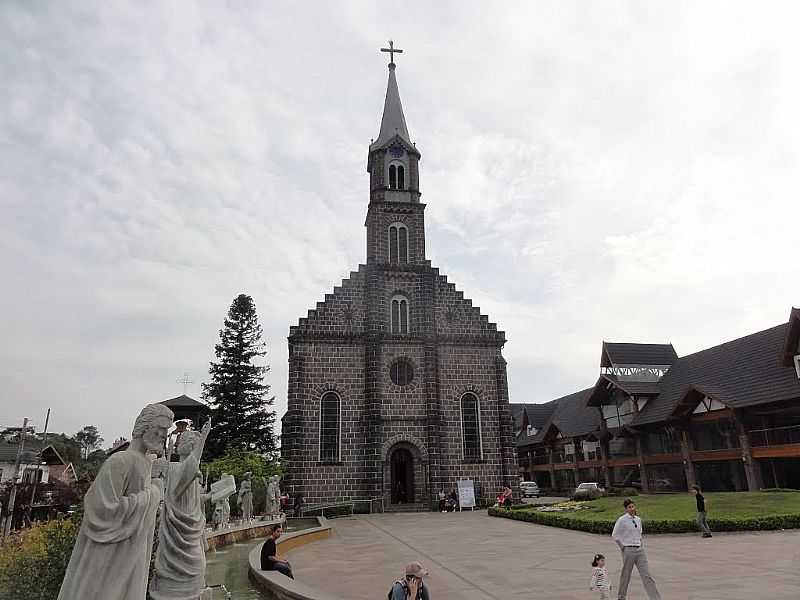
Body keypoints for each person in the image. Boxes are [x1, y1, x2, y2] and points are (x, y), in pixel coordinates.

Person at [57, 403, 174, 600]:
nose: (164, 435)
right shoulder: (120, 461)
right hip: (108, 557)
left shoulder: (146, 463)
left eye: (167, 430)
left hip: (132, 554)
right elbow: (102, 509)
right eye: (161, 428)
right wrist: (153, 493)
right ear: (144, 426)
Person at [150, 421, 212, 600]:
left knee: (196, 570)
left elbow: (192, 468)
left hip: (189, 531)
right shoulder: (176, 469)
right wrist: (203, 439)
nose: (179, 443)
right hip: (178, 533)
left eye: (183, 441)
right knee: (189, 575)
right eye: (180, 440)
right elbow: (190, 465)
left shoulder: (187, 471)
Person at [611, 498, 661, 600]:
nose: (632, 508)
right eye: (629, 507)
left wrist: (641, 545)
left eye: (633, 506)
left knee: (647, 575)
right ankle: (621, 597)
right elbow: (615, 535)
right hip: (628, 550)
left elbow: (640, 534)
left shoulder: (638, 520)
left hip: (640, 550)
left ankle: (655, 598)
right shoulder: (622, 520)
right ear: (626, 509)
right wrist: (623, 547)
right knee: (626, 575)